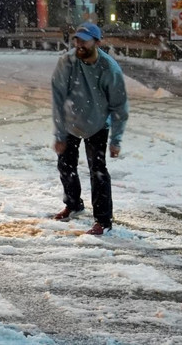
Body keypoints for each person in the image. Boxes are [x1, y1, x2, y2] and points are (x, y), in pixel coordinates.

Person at [51, 22, 129, 236]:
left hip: (97, 124)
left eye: (85, 41)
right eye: (77, 40)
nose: (80, 44)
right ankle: (73, 204)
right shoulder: (67, 62)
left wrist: (116, 140)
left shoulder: (108, 68)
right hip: (71, 121)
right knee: (65, 165)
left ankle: (103, 220)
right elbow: (58, 98)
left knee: (98, 170)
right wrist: (59, 133)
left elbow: (119, 105)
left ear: (97, 42)